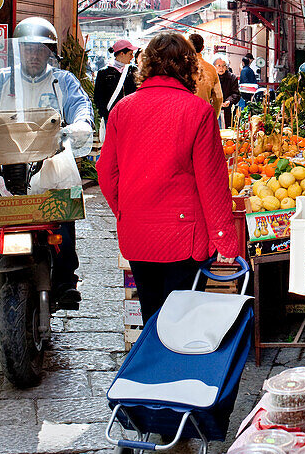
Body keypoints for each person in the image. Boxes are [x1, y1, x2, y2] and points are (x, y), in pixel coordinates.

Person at [0, 17, 94, 334]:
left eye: (40, 49)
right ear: (18, 51)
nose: (34, 55)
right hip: (0, 173)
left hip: (46, 171)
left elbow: (81, 110)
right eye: (27, 49)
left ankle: (66, 280)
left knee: (62, 216)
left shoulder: (63, 82)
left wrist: (78, 126)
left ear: (50, 52)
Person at [97, 33, 243, 321]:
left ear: (146, 65)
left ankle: (153, 363)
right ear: (189, 67)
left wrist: (125, 211)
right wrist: (225, 240)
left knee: (151, 313)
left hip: (138, 232)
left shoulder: (122, 110)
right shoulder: (198, 111)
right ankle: (174, 364)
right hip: (184, 235)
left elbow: (106, 173)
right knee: (182, 320)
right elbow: (212, 182)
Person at [93, 39, 137, 125]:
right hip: (110, 118)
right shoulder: (104, 73)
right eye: (130, 54)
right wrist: (105, 115)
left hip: (130, 117)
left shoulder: (133, 71)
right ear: (121, 54)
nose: (132, 57)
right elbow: (98, 97)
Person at [189, 33, 223, 118]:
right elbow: (218, 97)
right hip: (203, 116)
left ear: (187, 47)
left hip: (185, 117)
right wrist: (214, 117)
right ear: (202, 48)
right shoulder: (211, 69)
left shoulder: (180, 68)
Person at [216, 58, 241, 128]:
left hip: (228, 111)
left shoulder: (232, 78)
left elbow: (236, 94)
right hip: (214, 110)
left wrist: (229, 101)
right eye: (219, 65)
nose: (221, 68)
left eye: (224, 66)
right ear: (214, 66)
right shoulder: (212, 78)